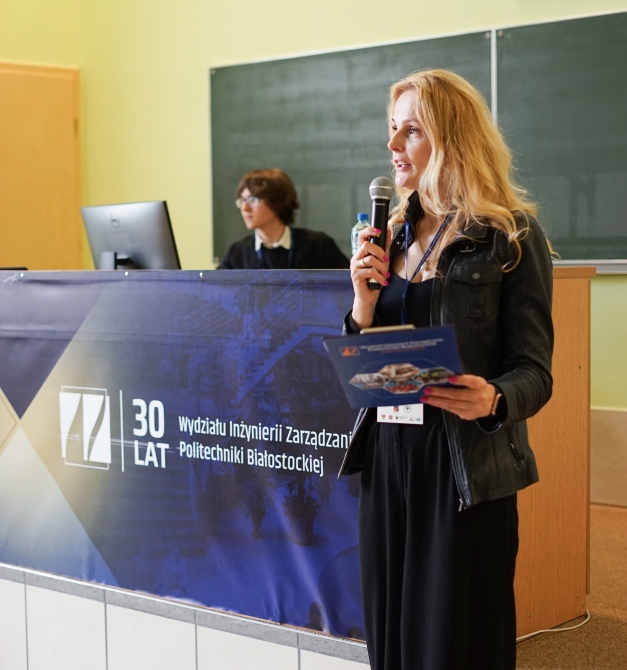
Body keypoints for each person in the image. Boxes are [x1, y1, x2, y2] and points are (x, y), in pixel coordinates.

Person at [342, 70, 554, 669]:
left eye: (410, 131)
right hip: (389, 457)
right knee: (391, 634)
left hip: (462, 465)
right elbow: (363, 356)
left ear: (453, 138)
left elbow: (535, 371)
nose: (392, 145)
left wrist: (493, 399)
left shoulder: (509, 236)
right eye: (393, 129)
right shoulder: (387, 233)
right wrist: (361, 306)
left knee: (451, 639)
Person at [217, 168, 350, 270]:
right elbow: (214, 293)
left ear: (277, 202)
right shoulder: (237, 253)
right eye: (242, 201)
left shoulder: (318, 246)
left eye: (252, 200)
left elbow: (352, 286)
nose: (244, 208)